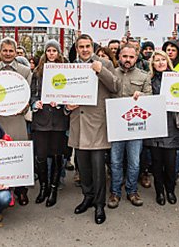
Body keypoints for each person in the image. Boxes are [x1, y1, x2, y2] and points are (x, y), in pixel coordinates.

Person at [67, 34, 120, 224]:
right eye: (81, 46)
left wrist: (100, 71)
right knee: (83, 167)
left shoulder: (104, 64)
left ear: (93, 46)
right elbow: (64, 93)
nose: (85, 50)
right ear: (77, 48)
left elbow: (115, 86)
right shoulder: (70, 67)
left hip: (97, 124)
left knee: (98, 168)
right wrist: (67, 106)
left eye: (88, 46)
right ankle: (87, 196)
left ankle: (99, 204)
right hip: (78, 123)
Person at [0, 38, 32, 205]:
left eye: (11, 51)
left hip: (17, 119)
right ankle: (2, 191)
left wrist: (24, 108)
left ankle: (21, 190)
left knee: (19, 155)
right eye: (5, 50)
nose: (8, 53)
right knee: (0, 157)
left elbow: (29, 95)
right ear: (0, 51)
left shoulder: (25, 71)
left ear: (15, 51)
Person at [108, 44, 152, 209]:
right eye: (124, 56)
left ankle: (132, 191)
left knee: (134, 162)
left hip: (135, 125)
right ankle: (115, 192)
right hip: (116, 126)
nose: (127, 60)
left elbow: (150, 96)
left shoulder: (144, 76)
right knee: (115, 161)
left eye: (131, 57)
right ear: (119, 56)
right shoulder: (110, 73)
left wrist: (143, 95)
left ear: (136, 57)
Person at [30, 40, 70, 207]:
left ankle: (53, 188)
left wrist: (61, 101)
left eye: (54, 50)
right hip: (41, 120)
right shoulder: (37, 72)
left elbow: (70, 93)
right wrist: (35, 103)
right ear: (45, 53)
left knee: (56, 155)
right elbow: (32, 95)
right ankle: (43, 187)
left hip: (58, 120)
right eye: (49, 50)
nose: (51, 53)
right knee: (40, 156)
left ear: (59, 53)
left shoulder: (66, 71)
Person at [144, 50, 179, 206]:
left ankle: (170, 190)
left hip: (172, 126)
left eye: (163, 59)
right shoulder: (148, 80)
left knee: (170, 163)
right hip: (154, 126)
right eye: (157, 60)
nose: (160, 62)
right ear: (152, 64)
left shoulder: (177, 79)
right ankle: (159, 191)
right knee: (156, 162)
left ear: (168, 61)